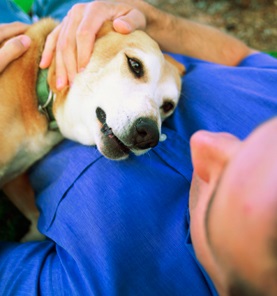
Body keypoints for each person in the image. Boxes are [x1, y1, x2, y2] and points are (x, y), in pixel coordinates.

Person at [0, 1, 276, 295]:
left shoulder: (100, 284)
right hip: (105, 35)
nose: (207, 141)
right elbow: (242, 55)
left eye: (224, 189)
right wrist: (153, 20)